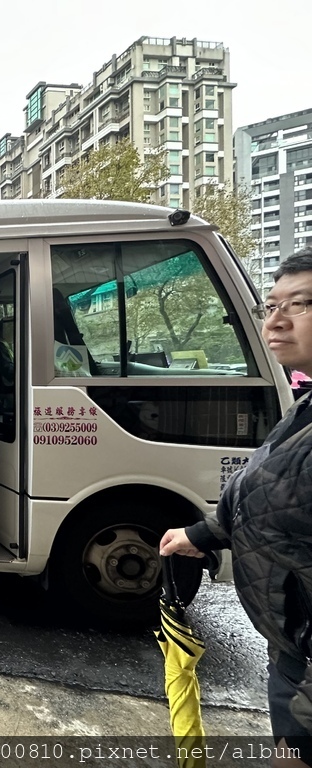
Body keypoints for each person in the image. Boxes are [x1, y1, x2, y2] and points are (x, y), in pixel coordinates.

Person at [160, 247, 312, 768]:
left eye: (302, 304)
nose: (276, 320)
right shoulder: (307, 407)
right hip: (292, 650)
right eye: (270, 305)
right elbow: (274, 498)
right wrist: (202, 534)